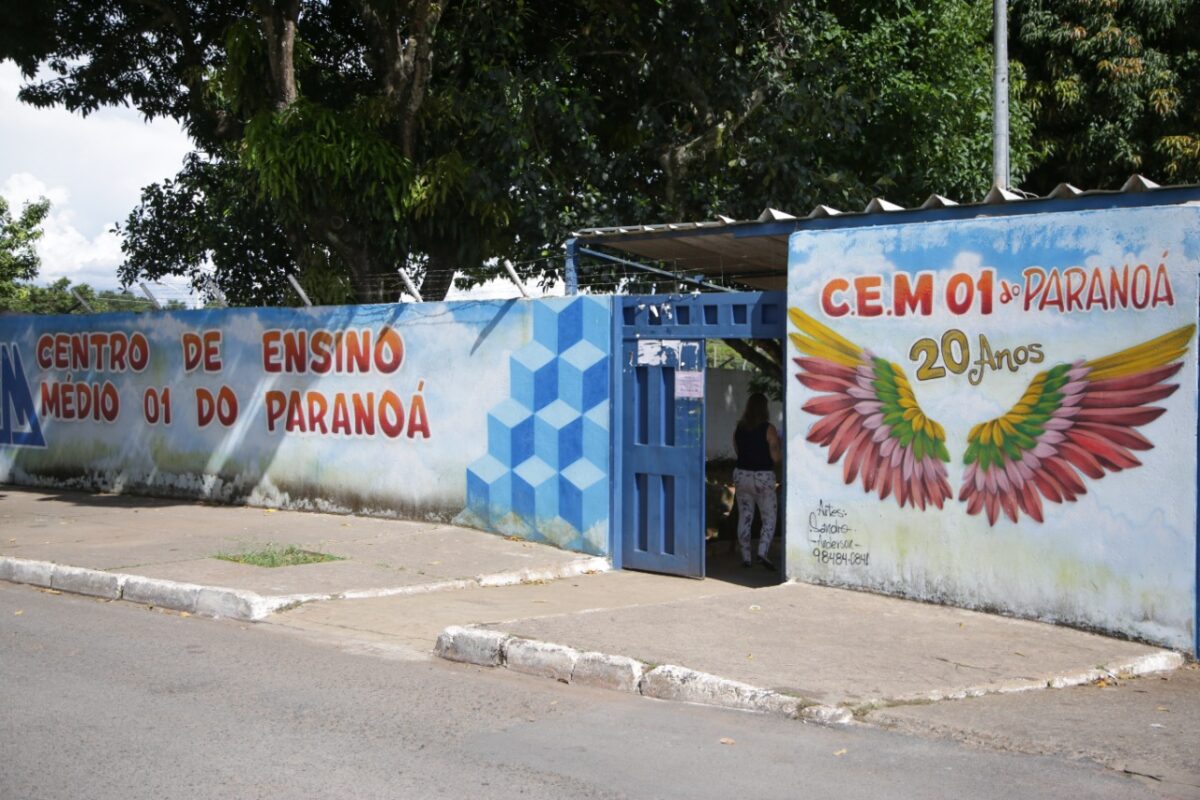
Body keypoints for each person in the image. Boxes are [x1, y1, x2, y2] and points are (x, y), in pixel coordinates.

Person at [732, 392, 781, 569]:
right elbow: (775, 456)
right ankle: (762, 551)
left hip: (741, 475)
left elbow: (737, 450)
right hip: (763, 477)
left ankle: (746, 557)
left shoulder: (739, 428)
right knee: (769, 516)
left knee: (745, 515)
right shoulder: (769, 429)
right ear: (765, 409)